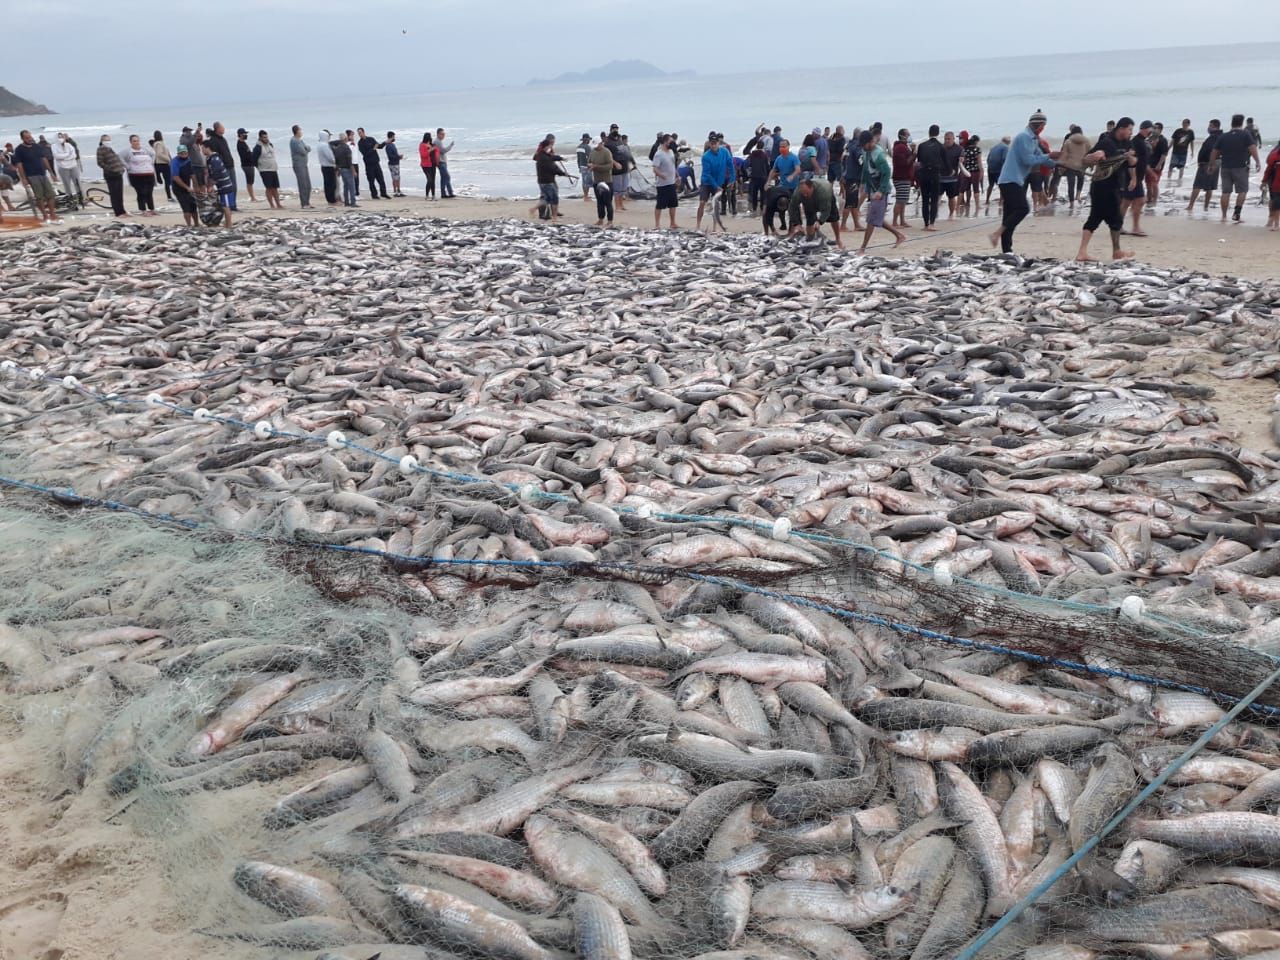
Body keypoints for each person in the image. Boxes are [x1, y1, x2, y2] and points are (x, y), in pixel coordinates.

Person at [991, 110, 1055, 253]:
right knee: (1022, 209)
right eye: (1043, 126)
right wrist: (1050, 155)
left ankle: (1007, 251)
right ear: (1039, 126)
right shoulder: (1023, 137)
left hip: (1015, 180)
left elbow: (1042, 157)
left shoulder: (1033, 139)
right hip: (1009, 180)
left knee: (1009, 215)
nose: (1043, 129)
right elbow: (1029, 160)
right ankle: (997, 233)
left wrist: (1059, 162)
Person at [1076, 117, 1136, 262]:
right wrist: (1095, 156)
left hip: (1116, 186)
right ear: (1121, 128)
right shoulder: (1106, 142)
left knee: (1114, 219)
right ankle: (1084, 252)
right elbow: (1085, 160)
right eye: (1129, 130)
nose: (1130, 133)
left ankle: (1115, 251)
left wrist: (1133, 175)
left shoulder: (1127, 143)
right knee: (1098, 218)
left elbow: (1133, 162)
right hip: (1101, 186)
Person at [856, 129, 905, 253]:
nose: (863, 147)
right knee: (876, 218)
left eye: (864, 144)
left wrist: (881, 191)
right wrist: (862, 183)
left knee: (872, 219)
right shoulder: (866, 151)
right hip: (872, 188)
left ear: (870, 142)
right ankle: (899, 236)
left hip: (880, 190)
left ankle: (863, 248)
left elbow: (887, 173)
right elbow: (866, 169)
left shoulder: (879, 154)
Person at [1212, 113, 1262, 224]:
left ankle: (1224, 216)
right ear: (1242, 123)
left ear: (1232, 123)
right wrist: (1258, 161)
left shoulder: (1224, 136)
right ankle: (1237, 214)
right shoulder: (1245, 134)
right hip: (1240, 167)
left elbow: (1215, 151)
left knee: (1226, 192)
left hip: (1225, 167)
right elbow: (1252, 148)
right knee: (1243, 191)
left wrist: (1212, 164)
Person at [12, 130, 60, 223]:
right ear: (22, 138)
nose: (29, 139)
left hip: (42, 173)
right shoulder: (19, 149)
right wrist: (23, 178)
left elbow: (44, 159)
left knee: (51, 194)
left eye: (30, 137)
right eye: (27, 138)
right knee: (39, 197)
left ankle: (52, 214)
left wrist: (51, 173)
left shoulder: (37, 146)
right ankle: (45, 216)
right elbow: (19, 165)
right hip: (31, 175)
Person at [787, 172, 843, 248]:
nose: (805, 195)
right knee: (810, 220)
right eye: (803, 193)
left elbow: (826, 210)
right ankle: (810, 241)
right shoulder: (798, 193)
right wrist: (797, 224)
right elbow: (792, 207)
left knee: (834, 218)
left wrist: (819, 221)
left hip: (827, 196)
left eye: (806, 193)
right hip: (809, 203)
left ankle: (838, 239)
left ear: (812, 188)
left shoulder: (824, 192)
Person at [1121, 121, 1152, 237]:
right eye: (1150, 129)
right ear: (1143, 129)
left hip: (1137, 177)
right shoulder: (1136, 142)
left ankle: (1121, 226)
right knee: (1135, 201)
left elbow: (1143, 160)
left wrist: (1149, 172)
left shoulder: (1142, 141)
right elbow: (1131, 160)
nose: (1151, 132)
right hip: (1133, 177)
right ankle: (1134, 227)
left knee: (1131, 202)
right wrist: (1133, 178)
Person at [1050, 125, 1089, 213]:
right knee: (1080, 179)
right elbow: (1090, 152)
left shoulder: (1068, 141)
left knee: (1071, 184)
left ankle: (1071, 204)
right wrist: (1088, 164)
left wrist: (1060, 163)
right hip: (1081, 166)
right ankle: (1078, 196)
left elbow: (1064, 154)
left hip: (1070, 166)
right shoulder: (1086, 141)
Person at [1186, 119, 1222, 215]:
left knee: (1197, 185)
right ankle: (1205, 207)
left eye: (1210, 126)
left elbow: (1210, 150)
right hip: (1216, 162)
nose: (1208, 127)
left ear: (1215, 127)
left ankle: (1191, 205)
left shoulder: (1214, 137)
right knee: (1209, 186)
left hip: (1207, 163)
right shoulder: (1220, 136)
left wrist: (1205, 162)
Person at [531, 134, 570, 220]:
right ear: (548, 141)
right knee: (547, 196)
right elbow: (548, 162)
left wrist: (560, 158)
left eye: (553, 142)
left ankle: (554, 212)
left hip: (546, 176)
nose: (552, 144)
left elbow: (551, 157)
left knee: (551, 194)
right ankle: (545, 214)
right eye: (552, 142)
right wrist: (562, 173)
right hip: (546, 177)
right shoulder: (541, 151)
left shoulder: (546, 150)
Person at [200, 139, 234, 228]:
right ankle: (227, 223)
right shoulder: (210, 158)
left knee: (226, 206)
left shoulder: (215, 159)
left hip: (225, 186)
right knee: (223, 205)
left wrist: (210, 186)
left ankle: (229, 224)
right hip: (220, 186)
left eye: (203, 148)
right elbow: (210, 173)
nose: (202, 150)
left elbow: (216, 174)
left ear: (208, 148)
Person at [915, 125, 944, 231]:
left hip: (924, 174)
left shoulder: (922, 145)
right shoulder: (940, 146)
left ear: (929, 132)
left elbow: (919, 161)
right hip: (935, 174)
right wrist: (951, 171)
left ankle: (926, 224)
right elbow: (945, 162)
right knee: (934, 200)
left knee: (925, 200)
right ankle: (932, 223)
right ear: (938, 133)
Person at [120, 134, 157, 216]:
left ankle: (152, 209)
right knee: (141, 192)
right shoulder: (128, 151)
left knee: (149, 192)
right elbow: (119, 157)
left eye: (137, 140)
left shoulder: (145, 149)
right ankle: (143, 210)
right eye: (134, 141)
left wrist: (152, 162)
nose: (136, 142)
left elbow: (153, 154)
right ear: (130, 142)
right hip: (136, 175)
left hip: (149, 174)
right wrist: (127, 166)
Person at [206, 122, 236, 209]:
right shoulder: (213, 140)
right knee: (226, 188)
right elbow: (215, 155)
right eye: (222, 127)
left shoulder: (223, 139)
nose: (224, 129)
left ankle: (233, 205)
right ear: (217, 129)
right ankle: (228, 206)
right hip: (224, 167)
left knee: (233, 186)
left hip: (230, 164)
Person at [589, 137, 617, 227]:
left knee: (608, 202)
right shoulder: (592, 152)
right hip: (596, 180)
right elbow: (589, 162)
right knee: (599, 202)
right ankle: (600, 219)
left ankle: (610, 221)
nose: (596, 147)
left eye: (597, 145)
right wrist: (589, 166)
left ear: (601, 143)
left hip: (606, 181)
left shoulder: (606, 152)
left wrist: (596, 167)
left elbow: (610, 166)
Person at [96, 134, 127, 217]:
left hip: (118, 173)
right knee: (114, 194)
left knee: (119, 193)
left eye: (109, 140)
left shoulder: (109, 149)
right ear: (102, 141)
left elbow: (116, 159)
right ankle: (118, 212)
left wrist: (121, 168)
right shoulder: (100, 149)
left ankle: (122, 210)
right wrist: (110, 169)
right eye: (106, 140)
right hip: (110, 174)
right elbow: (100, 162)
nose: (108, 142)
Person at [652, 134, 679, 229]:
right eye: (670, 142)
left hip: (671, 182)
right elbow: (655, 169)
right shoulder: (659, 154)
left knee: (673, 203)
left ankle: (673, 223)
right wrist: (661, 175)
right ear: (665, 142)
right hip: (662, 184)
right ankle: (657, 224)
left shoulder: (671, 152)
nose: (672, 143)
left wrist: (677, 176)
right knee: (660, 204)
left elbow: (673, 165)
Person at [252, 130, 283, 210]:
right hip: (264, 170)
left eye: (267, 137)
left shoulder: (270, 145)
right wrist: (259, 168)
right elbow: (254, 160)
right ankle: (272, 205)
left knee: (275, 188)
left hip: (273, 168)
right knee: (268, 188)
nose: (266, 139)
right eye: (264, 137)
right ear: (260, 138)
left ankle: (278, 204)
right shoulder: (257, 147)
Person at [170, 143, 199, 226]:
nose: (183, 155)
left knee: (193, 205)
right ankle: (189, 225)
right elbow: (175, 177)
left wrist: (195, 186)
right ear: (178, 154)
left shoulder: (188, 160)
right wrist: (187, 187)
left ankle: (196, 224)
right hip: (178, 187)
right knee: (186, 207)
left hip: (187, 186)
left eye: (185, 153)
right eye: (181, 153)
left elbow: (192, 174)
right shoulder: (174, 162)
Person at [890, 129, 914, 228]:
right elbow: (904, 163)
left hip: (905, 176)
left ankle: (902, 220)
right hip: (901, 177)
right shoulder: (900, 148)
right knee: (900, 200)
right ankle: (895, 221)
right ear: (903, 136)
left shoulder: (903, 147)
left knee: (903, 200)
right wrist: (914, 154)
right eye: (908, 135)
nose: (909, 136)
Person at [841, 130, 864, 231]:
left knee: (853, 201)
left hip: (847, 175)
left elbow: (842, 160)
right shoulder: (857, 147)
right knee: (850, 202)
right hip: (853, 177)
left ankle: (856, 224)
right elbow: (861, 161)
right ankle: (843, 225)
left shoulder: (848, 146)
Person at [53, 132, 83, 207]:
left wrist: (65, 157)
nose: (61, 139)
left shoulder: (69, 145)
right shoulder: (54, 146)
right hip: (63, 168)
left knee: (77, 183)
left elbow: (74, 155)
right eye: (59, 137)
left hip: (73, 166)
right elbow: (57, 156)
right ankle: (70, 199)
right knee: (67, 184)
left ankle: (81, 199)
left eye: (62, 137)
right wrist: (67, 155)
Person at [356, 128, 388, 199]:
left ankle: (383, 193)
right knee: (371, 180)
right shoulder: (360, 143)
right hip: (368, 164)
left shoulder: (371, 139)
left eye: (360, 132)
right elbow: (365, 154)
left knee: (381, 179)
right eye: (358, 133)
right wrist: (373, 149)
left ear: (364, 132)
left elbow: (379, 146)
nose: (360, 134)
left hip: (376, 162)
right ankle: (374, 195)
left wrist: (385, 142)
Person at [1145, 122, 1168, 206]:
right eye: (1153, 128)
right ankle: (1149, 199)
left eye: (1156, 128)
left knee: (1154, 183)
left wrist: (1159, 164)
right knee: (1148, 184)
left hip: (1157, 165)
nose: (1153, 129)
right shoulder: (1150, 138)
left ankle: (1154, 201)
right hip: (1148, 165)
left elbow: (1164, 154)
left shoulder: (1163, 140)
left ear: (1160, 130)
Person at [290, 125, 313, 208]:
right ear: (297, 131)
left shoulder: (300, 140)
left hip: (304, 164)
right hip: (298, 165)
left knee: (308, 184)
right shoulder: (294, 141)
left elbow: (308, 148)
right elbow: (303, 151)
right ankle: (304, 203)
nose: (301, 132)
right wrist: (306, 149)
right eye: (300, 130)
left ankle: (307, 202)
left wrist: (306, 149)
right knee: (303, 184)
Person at [332, 132, 356, 207]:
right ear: (346, 139)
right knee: (351, 186)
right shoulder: (346, 148)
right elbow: (349, 161)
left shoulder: (337, 149)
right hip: (347, 168)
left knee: (345, 186)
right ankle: (353, 202)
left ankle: (346, 202)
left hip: (341, 169)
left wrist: (337, 168)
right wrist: (353, 171)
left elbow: (336, 160)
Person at [747, 138, 770, 214]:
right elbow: (767, 166)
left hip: (754, 176)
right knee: (763, 193)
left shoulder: (752, 154)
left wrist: (749, 176)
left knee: (754, 193)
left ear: (757, 146)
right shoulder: (764, 155)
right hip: (763, 176)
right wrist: (769, 176)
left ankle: (754, 207)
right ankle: (761, 207)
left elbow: (749, 165)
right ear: (763, 146)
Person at [985, 135, 1009, 209]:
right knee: (1002, 185)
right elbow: (1004, 159)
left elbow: (988, 159)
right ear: (1007, 142)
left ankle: (987, 200)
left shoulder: (994, 147)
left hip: (990, 168)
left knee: (991, 185)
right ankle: (1001, 201)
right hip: (998, 169)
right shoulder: (1005, 147)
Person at [1168, 119, 1194, 184]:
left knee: (1181, 167)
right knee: (1171, 166)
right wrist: (1168, 148)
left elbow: (1192, 142)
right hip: (1175, 152)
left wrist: (1192, 151)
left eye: (1185, 123)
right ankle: (1169, 179)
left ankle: (1179, 180)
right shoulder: (1177, 131)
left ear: (1188, 124)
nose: (1183, 125)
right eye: (1183, 123)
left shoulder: (1191, 132)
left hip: (1184, 152)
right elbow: (1172, 140)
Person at [236, 128, 258, 202]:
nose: (246, 135)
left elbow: (248, 153)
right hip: (246, 165)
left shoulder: (243, 143)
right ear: (240, 135)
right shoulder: (240, 144)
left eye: (246, 134)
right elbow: (245, 156)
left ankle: (253, 197)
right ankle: (252, 197)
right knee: (249, 181)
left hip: (249, 164)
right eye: (244, 134)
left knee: (251, 181)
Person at [150, 131, 172, 201]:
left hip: (157, 164)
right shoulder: (159, 143)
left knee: (165, 181)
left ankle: (158, 178)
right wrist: (168, 159)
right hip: (163, 163)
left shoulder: (156, 144)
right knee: (167, 181)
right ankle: (169, 197)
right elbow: (159, 154)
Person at [318, 129, 338, 205]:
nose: (329, 137)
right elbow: (330, 157)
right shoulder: (324, 145)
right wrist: (335, 162)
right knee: (331, 184)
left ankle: (330, 199)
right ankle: (332, 200)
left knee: (327, 184)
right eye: (328, 136)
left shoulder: (320, 144)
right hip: (329, 166)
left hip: (324, 166)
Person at [1264, 141, 1280, 232]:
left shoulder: (1274, 152)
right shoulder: (1275, 153)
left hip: (1273, 180)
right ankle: (1273, 220)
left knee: (1274, 200)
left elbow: (1268, 164)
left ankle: (1271, 219)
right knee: (1276, 201)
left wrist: (1264, 181)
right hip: (1275, 180)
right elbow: (1269, 166)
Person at [436, 128, 455, 198]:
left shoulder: (439, 141)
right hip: (441, 162)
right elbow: (443, 150)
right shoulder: (437, 142)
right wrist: (451, 145)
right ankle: (447, 193)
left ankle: (447, 193)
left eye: (444, 134)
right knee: (447, 176)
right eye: (442, 134)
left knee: (444, 177)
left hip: (442, 161)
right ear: (438, 134)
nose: (443, 136)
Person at [420, 132, 438, 199]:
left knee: (433, 180)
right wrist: (430, 150)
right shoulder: (422, 145)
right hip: (425, 165)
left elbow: (436, 152)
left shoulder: (431, 144)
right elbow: (423, 155)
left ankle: (433, 195)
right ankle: (427, 195)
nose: (429, 138)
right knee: (429, 180)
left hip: (433, 164)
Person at [383, 131, 402, 198]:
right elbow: (390, 156)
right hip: (393, 163)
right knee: (395, 178)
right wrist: (398, 157)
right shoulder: (388, 146)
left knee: (397, 177)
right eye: (394, 136)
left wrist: (398, 156)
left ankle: (398, 190)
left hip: (396, 163)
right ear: (391, 137)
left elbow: (394, 154)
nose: (394, 138)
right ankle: (396, 191)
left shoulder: (392, 145)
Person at [576, 133, 593, 199]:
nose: (589, 141)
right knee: (587, 181)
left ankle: (585, 195)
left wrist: (579, 166)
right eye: (589, 139)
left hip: (581, 165)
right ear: (586, 140)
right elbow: (590, 157)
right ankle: (586, 195)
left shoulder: (578, 147)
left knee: (584, 181)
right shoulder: (587, 147)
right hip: (587, 166)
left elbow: (578, 158)